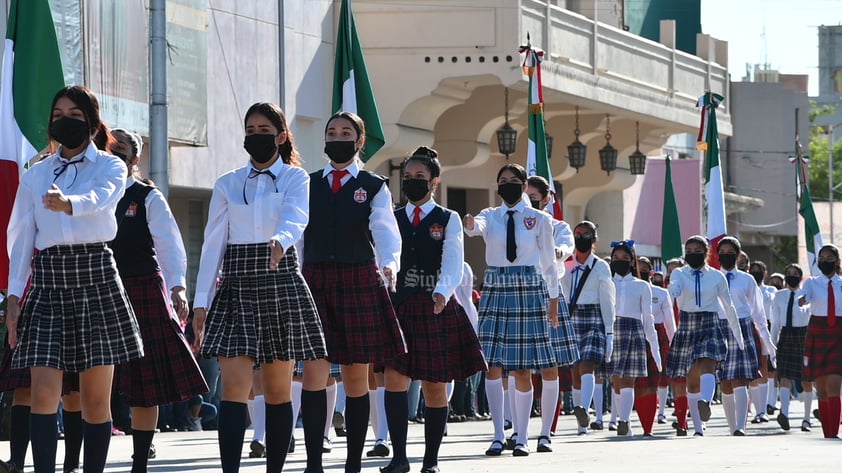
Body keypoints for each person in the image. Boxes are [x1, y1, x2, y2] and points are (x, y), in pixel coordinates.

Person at [5, 85, 144, 473]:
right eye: (58, 114)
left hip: (96, 277)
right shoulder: (37, 174)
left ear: (92, 122)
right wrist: (15, 296)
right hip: (48, 282)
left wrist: (70, 204)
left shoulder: (111, 165)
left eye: (76, 115)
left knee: (96, 400)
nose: (65, 121)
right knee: (43, 393)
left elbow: (103, 196)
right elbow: (20, 236)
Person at [192, 102, 327, 473]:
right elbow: (212, 244)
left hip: (279, 280)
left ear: (281, 136)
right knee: (235, 387)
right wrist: (201, 299)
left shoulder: (297, 179)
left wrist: (281, 241)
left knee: (278, 389)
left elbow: (297, 215)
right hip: (235, 285)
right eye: (250, 129)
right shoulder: (227, 182)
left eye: (263, 129)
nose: (255, 136)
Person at [299, 111, 406, 473]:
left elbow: (386, 230)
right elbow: (298, 233)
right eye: (331, 132)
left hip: (359, 278)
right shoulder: (307, 182)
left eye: (346, 132)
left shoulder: (373, 186)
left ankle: (353, 462)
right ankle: (314, 461)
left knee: (357, 376)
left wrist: (389, 264)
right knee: (315, 373)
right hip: (314, 280)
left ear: (360, 141)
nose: (337, 137)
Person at [380, 146, 487, 473]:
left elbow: (454, 259)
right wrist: (386, 274)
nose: (412, 182)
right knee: (394, 380)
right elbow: (385, 252)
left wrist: (442, 292)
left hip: (434, 307)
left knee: (434, 384)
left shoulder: (447, 218)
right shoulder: (392, 217)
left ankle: (431, 461)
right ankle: (399, 458)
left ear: (434, 182)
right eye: (408, 177)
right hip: (398, 305)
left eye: (420, 177)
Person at [108, 128, 208, 472]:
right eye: (107, 147)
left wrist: (178, 287)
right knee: (88, 377)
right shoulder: (86, 191)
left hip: (141, 289)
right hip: (99, 288)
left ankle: (140, 455)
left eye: (121, 149)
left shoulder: (146, 196)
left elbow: (170, 245)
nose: (114, 153)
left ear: (135, 159)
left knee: (143, 380)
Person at [464, 163, 559, 457]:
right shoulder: (490, 215)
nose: (508, 185)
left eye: (513, 180)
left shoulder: (538, 218)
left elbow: (549, 261)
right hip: (496, 283)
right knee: (492, 363)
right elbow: (475, 229)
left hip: (529, 285)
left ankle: (522, 437)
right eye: (502, 180)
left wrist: (553, 298)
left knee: (521, 367)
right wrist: (469, 224)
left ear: (523, 183)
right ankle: (496, 434)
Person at [666, 235, 744, 437]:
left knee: (709, 364)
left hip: (710, 322)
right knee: (692, 377)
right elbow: (673, 289)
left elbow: (729, 306)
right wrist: (672, 290)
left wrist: (739, 337)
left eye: (697, 251)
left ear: (707, 253)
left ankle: (706, 402)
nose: (693, 254)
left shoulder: (717, 276)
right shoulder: (679, 273)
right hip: (687, 323)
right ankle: (699, 428)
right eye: (689, 251)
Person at [524, 176, 579, 451]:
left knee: (549, 367)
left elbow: (567, 245)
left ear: (547, 199)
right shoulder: (515, 222)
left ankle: (546, 431)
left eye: (534, 196)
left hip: (549, 295)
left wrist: (559, 251)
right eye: (526, 194)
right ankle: (516, 430)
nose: (529, 199)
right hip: (520, 293)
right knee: (516, 367)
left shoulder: (558, 226)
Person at [715, 237, 775, 436]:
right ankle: (732, 427)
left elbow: (759, 313)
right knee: (725, 381)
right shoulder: (713, 278)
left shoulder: (747, 279)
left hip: (742, 325)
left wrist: (768, 342)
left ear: (738, 255)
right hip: (720, 327)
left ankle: (741, 426)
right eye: (722, 251)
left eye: (730, 251)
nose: (726, 255)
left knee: (740, 378)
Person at [561, 221, 615, 436]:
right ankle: (581, 423)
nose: (580, 237)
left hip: (594, 316)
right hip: (572, 316)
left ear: (594, 239)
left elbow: (608, 299)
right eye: (577, 233)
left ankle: (584, 407)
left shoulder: (601, 266)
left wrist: (609, 331)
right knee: (574, 371)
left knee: (587, 366)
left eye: (585, 234)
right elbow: (561, 292)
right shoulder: (566, 264)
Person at [607, 242, 661, 437]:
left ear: (631, 261)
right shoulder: (606, 282)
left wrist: (654, 347)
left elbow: (648, 317)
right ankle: (625, 423)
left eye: (624, 258)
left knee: (629, 379)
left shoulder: (642, 285)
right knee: (616, 380)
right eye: (616, 258)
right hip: (611, 330)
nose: (619, 261)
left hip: (633, 330)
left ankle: (624, 420)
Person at [798, 244, 842, 439]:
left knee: (834, 384)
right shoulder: (812, 283)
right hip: (818, 331)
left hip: (839, 332)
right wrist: (802, 300)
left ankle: (835, 431)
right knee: (822, 389)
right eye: (822, 258)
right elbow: (804, 297)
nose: (825, 261)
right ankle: (828, 433)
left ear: (837, 261)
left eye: (829, 258)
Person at [770, 264, 813, 432]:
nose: (792, 276)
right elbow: (775, 322)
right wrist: (772, 345)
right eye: (789, 273)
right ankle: (784, 414)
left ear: (800, 276)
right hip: (785, 336)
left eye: (795, 273)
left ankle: (807, 419)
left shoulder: (807, 295)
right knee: (784, 377)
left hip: (804, 336)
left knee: (806, 379)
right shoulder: (779, 296)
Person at [636, 257, 674, 433]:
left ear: (651, 272)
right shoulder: (630, 289)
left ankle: (660, 413)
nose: (641, 272)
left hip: (658, 333)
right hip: (636, 332)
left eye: (644, 269)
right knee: (636, 379)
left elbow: (669, 321)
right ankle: (621, 419)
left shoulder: (662, 293)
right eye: (638, 268)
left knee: (659, 377)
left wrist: (673, 341)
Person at [748, 259, 778, 420]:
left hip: (765, 325)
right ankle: (756, 409)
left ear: (765, 273)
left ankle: (763, 411)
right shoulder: (747, 286)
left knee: (764, 366)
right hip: (749, 326)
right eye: (753, 269)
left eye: (758, 270)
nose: (755, 273)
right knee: (753, 369)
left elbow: (774, 309)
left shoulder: (771, 290)